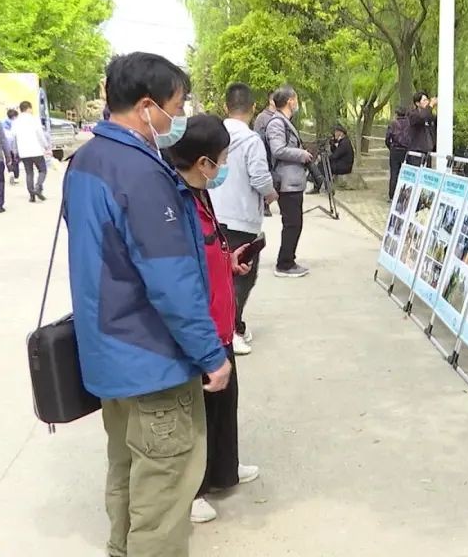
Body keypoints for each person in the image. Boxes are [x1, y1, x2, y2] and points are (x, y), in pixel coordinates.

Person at [64, 52, 232, 557]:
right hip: (153, 363)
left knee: (127, 478)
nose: (176, 118)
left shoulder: (86, 161)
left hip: (110, 356)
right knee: (162, 498)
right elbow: (170, 281)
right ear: (145, 107)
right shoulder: (140, 173)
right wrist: (211, 354)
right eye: (175, 106)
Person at [164, 114, 261, 524]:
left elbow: (208, 251)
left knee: (225, 404)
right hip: (199, 328)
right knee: (197, 413)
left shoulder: (200, 195)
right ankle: (194, 489)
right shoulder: (174, 201)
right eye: (220, 160)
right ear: (203, 162)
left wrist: (229, 261)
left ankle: (224, 468)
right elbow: (179, 276)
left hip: (221, 322)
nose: (222, 168)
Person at [212, 82, 276, 355]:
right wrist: (272, 194)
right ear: (252, 108)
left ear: (226, 107)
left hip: (214, 215)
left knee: (219, 275)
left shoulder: (214, 137)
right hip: (241, 220)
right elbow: (260, 177)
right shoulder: (251, 140)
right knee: (242, 278)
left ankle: (232, 325)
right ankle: (231, 330)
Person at [266, 85, 313, 278]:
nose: (297, 104)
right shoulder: (277, 123)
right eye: (296, 99)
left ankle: (288, 259)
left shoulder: (285, 122)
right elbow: (278, 149)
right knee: (292, 223)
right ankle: (284, 263)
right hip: (286, 181)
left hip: (293, 180)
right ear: (290, 101)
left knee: (294, 223)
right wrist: (301, 154)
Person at [12, 100, 51, 202]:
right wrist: (46, 146)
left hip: (24, 152)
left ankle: (32, 196)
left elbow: (14, 137)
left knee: (29, 173)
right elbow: (40, 135)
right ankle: (38, 187)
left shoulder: (16, 122)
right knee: (42, 170)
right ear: (29, 108)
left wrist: (15, 151)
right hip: (36, 150)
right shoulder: (34, 120)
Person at [385, 108, 412, 200]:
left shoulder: (393, 123)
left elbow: (387, 138)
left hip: (395, 150)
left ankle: (392, 195)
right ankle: (405, 195)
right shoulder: (409, 123)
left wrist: (390, 147)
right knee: (406, 173)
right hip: (406, 151)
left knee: (394, 173)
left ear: (396, 114)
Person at [408, 91, 437, 158]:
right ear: (417, 103)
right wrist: (430, 106)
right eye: (424, 100)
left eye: (427, 100)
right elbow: (422, 117)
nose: (427, 102)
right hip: (417, 151)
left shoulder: (429, 115)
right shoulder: (413, 114)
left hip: (428, 151)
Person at [3, 109, 20, 185]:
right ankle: (16, 177)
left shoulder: (3, 123)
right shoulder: (16, 123)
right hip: (15, 145)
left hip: (6, 145)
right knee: (16, 161)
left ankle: (11, 172)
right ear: (15, 116)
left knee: (9, 160)